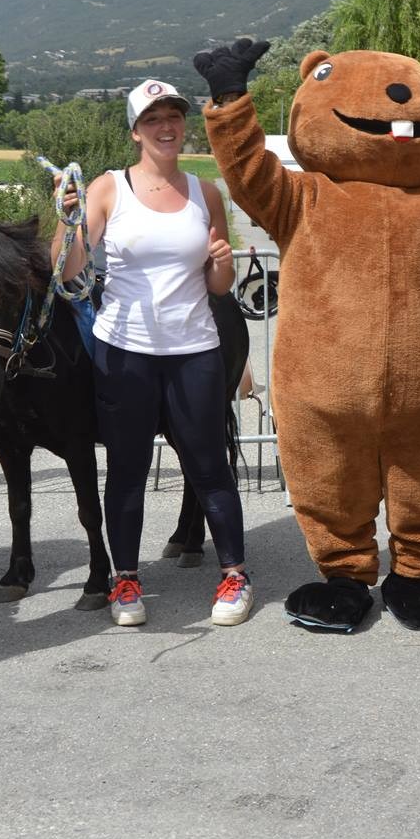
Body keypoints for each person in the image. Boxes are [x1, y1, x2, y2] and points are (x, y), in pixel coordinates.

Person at [54, 79, 251, 627]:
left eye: (173, 116)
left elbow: (218, 283)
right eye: (153, 119)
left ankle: (235, 575)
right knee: (126, 472)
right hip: (125, 353)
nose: (166, 127)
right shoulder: (108, 188)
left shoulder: (206, 191)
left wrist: (223, 262)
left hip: (194, 351)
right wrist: (67, 223)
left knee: (210, 468)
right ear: (135, 131)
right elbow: (69, 273)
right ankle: (126, 582)